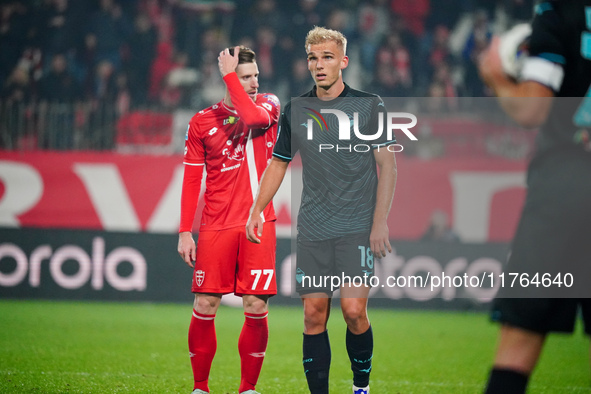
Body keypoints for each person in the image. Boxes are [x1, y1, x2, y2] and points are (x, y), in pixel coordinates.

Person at [246, 27, 398, 394]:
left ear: (343, 61)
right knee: (314, 316)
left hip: (357, 226)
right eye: (313, 58)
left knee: (353, 312)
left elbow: (388, 165)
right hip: (313, 228)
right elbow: (278, 163)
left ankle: (360, 386)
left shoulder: (369, 105)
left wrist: (380, 223)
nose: (319, 65)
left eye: (327, 57)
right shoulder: (296, 110)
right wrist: (256, 210)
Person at [478, 1, 591, 392]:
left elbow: (531, 108)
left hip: (568, 185)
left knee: (520, 336)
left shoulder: (561, 11)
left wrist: (496, 77)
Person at [177, 45, 280, 394]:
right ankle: (200, 388)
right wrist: (183, 232)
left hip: (257, 222)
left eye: (254, 77)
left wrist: (229, 76)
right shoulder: (201, 121)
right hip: (215, 225)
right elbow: (192, 179)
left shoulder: (269, 105)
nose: (253, 83)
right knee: (205, 303)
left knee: (255, 304)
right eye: (245, 76)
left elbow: (250, 119)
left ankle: (248, 388)